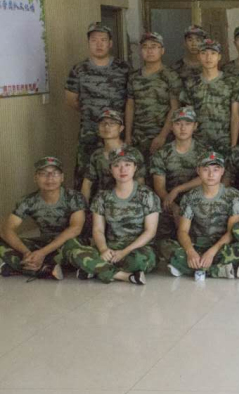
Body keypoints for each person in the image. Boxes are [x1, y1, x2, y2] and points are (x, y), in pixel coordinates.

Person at [62, 147, 159, 285]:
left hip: (137, 248)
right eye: (117, 165)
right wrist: (103, 249)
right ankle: (124, 276)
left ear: (135, 168)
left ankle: (95, 269)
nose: (122, 169)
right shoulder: (102, 197)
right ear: (110, 169)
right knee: (72, 248)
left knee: (140, 261)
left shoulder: (147, 195)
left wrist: (124, 252)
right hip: (110, 247)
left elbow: (150, 232)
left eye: (127, 165)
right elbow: (98, 230)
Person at [163, 151, 239, 280]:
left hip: (221, 248)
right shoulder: (190, 197)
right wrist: (190, 252)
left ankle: (191, 268)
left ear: (222, 171)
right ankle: (218, 270)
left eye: (216, 169)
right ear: (198, 171)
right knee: (164, 245)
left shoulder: (234, 196)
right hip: (197, 246)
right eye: (206, 169)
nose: (211, 174)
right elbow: (182, 231)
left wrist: (212, 252)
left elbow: (231, 232)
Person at [65, 22, 131, 185]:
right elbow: (71, 100)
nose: (99, 44)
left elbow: (131, 100)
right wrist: (91, 112)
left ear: (110, 43)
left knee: (118, 172)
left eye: (103, 40)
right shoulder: (79, 69)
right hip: (89, 131)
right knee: (85, 174)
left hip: (117, 133)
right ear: (88, 43)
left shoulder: (123, 68)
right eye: (94, 40)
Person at [0, 157, 86, 280]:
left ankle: (23, 266)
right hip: (45, 242)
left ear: (62, 177)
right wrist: (26, 252)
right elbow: (7, 229)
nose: (50, 178)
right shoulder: (28, 201)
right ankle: (45, 268)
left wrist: (42, 253)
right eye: (43, 174)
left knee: (78, 253)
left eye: (55, 173)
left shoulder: (74, 197)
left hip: (70, 242)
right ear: (35, 178)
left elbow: (75, 228)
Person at [149, 106, 207, 244]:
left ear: (195, 126)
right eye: (178, 124)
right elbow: (159, 187)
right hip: (169, 203)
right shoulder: (162, 154)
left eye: (187, 124)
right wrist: (174, 207)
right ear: (171, 126)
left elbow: (206, 178)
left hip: (196, 204)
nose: (183, 128)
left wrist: (178, 189)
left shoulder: (203, 152)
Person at [125, 31, 181, 162]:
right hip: (138, 137)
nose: (149, 51)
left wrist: (162, 136)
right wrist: (127, 135)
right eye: (145, 47)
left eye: (154, 46)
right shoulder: (134, 77)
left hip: (162, 136)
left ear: (162, 51)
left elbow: (175, 108)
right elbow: (130, 105)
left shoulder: (171, 76)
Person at [179, 39, 239, 153]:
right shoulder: (191, 83)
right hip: (198, 144)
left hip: (224, 142)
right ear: (198, 56)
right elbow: (189, 116)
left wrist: (233, 145)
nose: (208, 57)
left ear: (219, 57)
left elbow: (235, 115)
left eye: (213, 53)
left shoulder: (231, 82)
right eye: (204, 53)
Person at [82, 110, 146, 202]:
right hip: (103, 203)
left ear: (121, 128)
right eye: (103, 123)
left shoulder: (133, 153)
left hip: (128, 203)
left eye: (112, 123)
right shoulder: (96, 155)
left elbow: (140, 183)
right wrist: (84, 207)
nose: (107, 126)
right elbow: (87, 184)